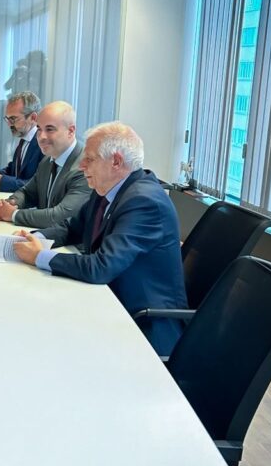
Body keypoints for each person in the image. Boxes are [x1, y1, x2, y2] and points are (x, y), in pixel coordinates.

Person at [12, 122, 187, 356]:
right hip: (109, 303)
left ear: (116, 162)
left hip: (142, 326)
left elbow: (101, 267)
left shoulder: (144, 202)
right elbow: (72, 227)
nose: (82, 166)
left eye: (90, 159)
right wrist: (35, 237)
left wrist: (39, 256)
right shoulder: (109, 189)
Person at [0, 101, 91, 229]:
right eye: (39, 129)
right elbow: (28, 192)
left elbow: (60, 216)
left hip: (72, 247)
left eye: (50, 129)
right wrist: (10, 203)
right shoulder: (47, 160)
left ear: (71, 131)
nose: (41, 136)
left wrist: (14, 214)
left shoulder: (85, 166)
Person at [0, 91, 44, 190]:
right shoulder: (24, 140)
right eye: (7, 119)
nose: (9, 124)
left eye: (13, 119)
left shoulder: (43, 144)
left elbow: (36, 186)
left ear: (33, 117)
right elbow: (13, 171)